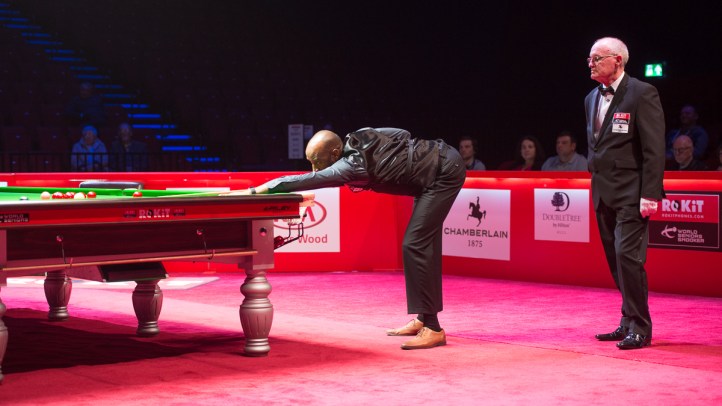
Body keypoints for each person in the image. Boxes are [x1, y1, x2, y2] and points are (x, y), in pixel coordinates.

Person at [224, 128, 465, 350]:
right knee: (423, 244)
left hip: (442, 173)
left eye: (317, 161)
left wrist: (256, 190)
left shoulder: (350, 166)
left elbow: (304, 180)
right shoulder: (361, 135)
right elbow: (402, 133)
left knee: (415, 244)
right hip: (430, 170)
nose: (315, 168)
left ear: (334, 153)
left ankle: (433, 328)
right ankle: (424, 318)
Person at [585, 37, 665, 350]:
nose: (590, 64)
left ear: (617, 60)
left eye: (597, 58)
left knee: (627, 257)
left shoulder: (642, 92)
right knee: (615, 260)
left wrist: (651, 193)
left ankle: (641, 327)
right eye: (589, 59)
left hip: (633, 192)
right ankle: (627, 321)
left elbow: (654, 148)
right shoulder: (591, 97)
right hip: (602, 191)